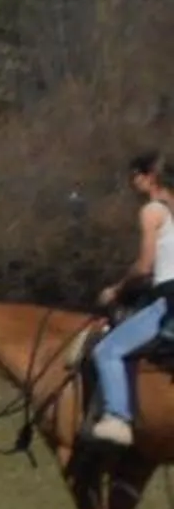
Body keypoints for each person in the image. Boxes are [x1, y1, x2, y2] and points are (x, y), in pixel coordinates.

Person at [86, 151, 173, 448]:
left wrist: (117, 289)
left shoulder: (152, 211)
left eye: (135, 176)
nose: (132, 183)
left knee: (107, 350)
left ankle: (118, 417)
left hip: (168, 298)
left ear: (149, 177)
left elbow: (145, 265)